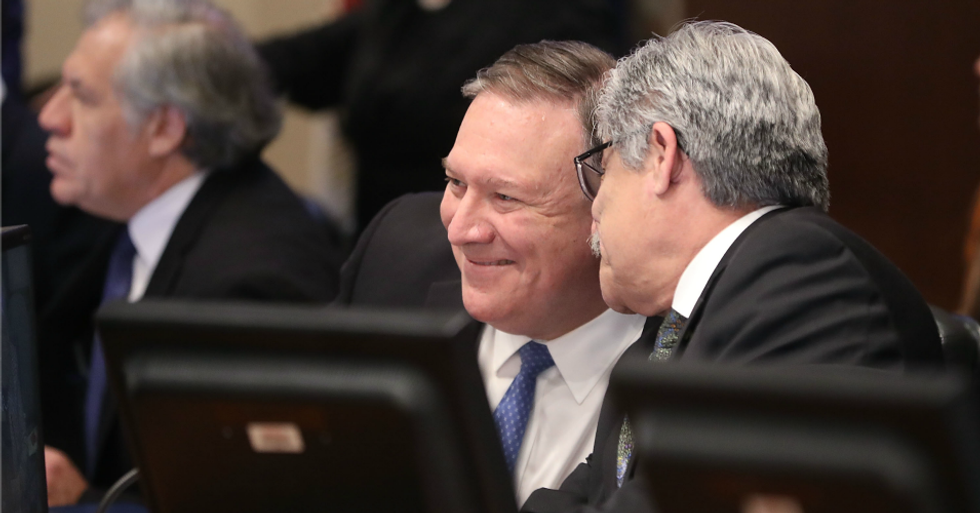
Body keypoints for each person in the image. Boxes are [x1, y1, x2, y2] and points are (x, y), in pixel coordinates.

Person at [522, 21, 945, 513]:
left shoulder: (809, 278)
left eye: (603, 168)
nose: (593, 209)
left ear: (661, 155)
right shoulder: (673, 327)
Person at [37, 0, 344, 505]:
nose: (50, 116)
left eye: (82, 96)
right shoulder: (141, 214)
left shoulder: (250, 287)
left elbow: (247, 499)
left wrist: (84, 500)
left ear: (164, 129)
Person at [335, 40, 658, 507]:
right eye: (455, 183)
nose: (460, 230)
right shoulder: (394, 261)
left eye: (505, 198)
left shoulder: (686, 353)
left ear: (606, 204)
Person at [256, 0, 624, 229]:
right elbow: (300, 61)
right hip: (389, 236)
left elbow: (598, 112)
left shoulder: (557, 12)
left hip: (495, 234)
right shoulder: (396, 11)